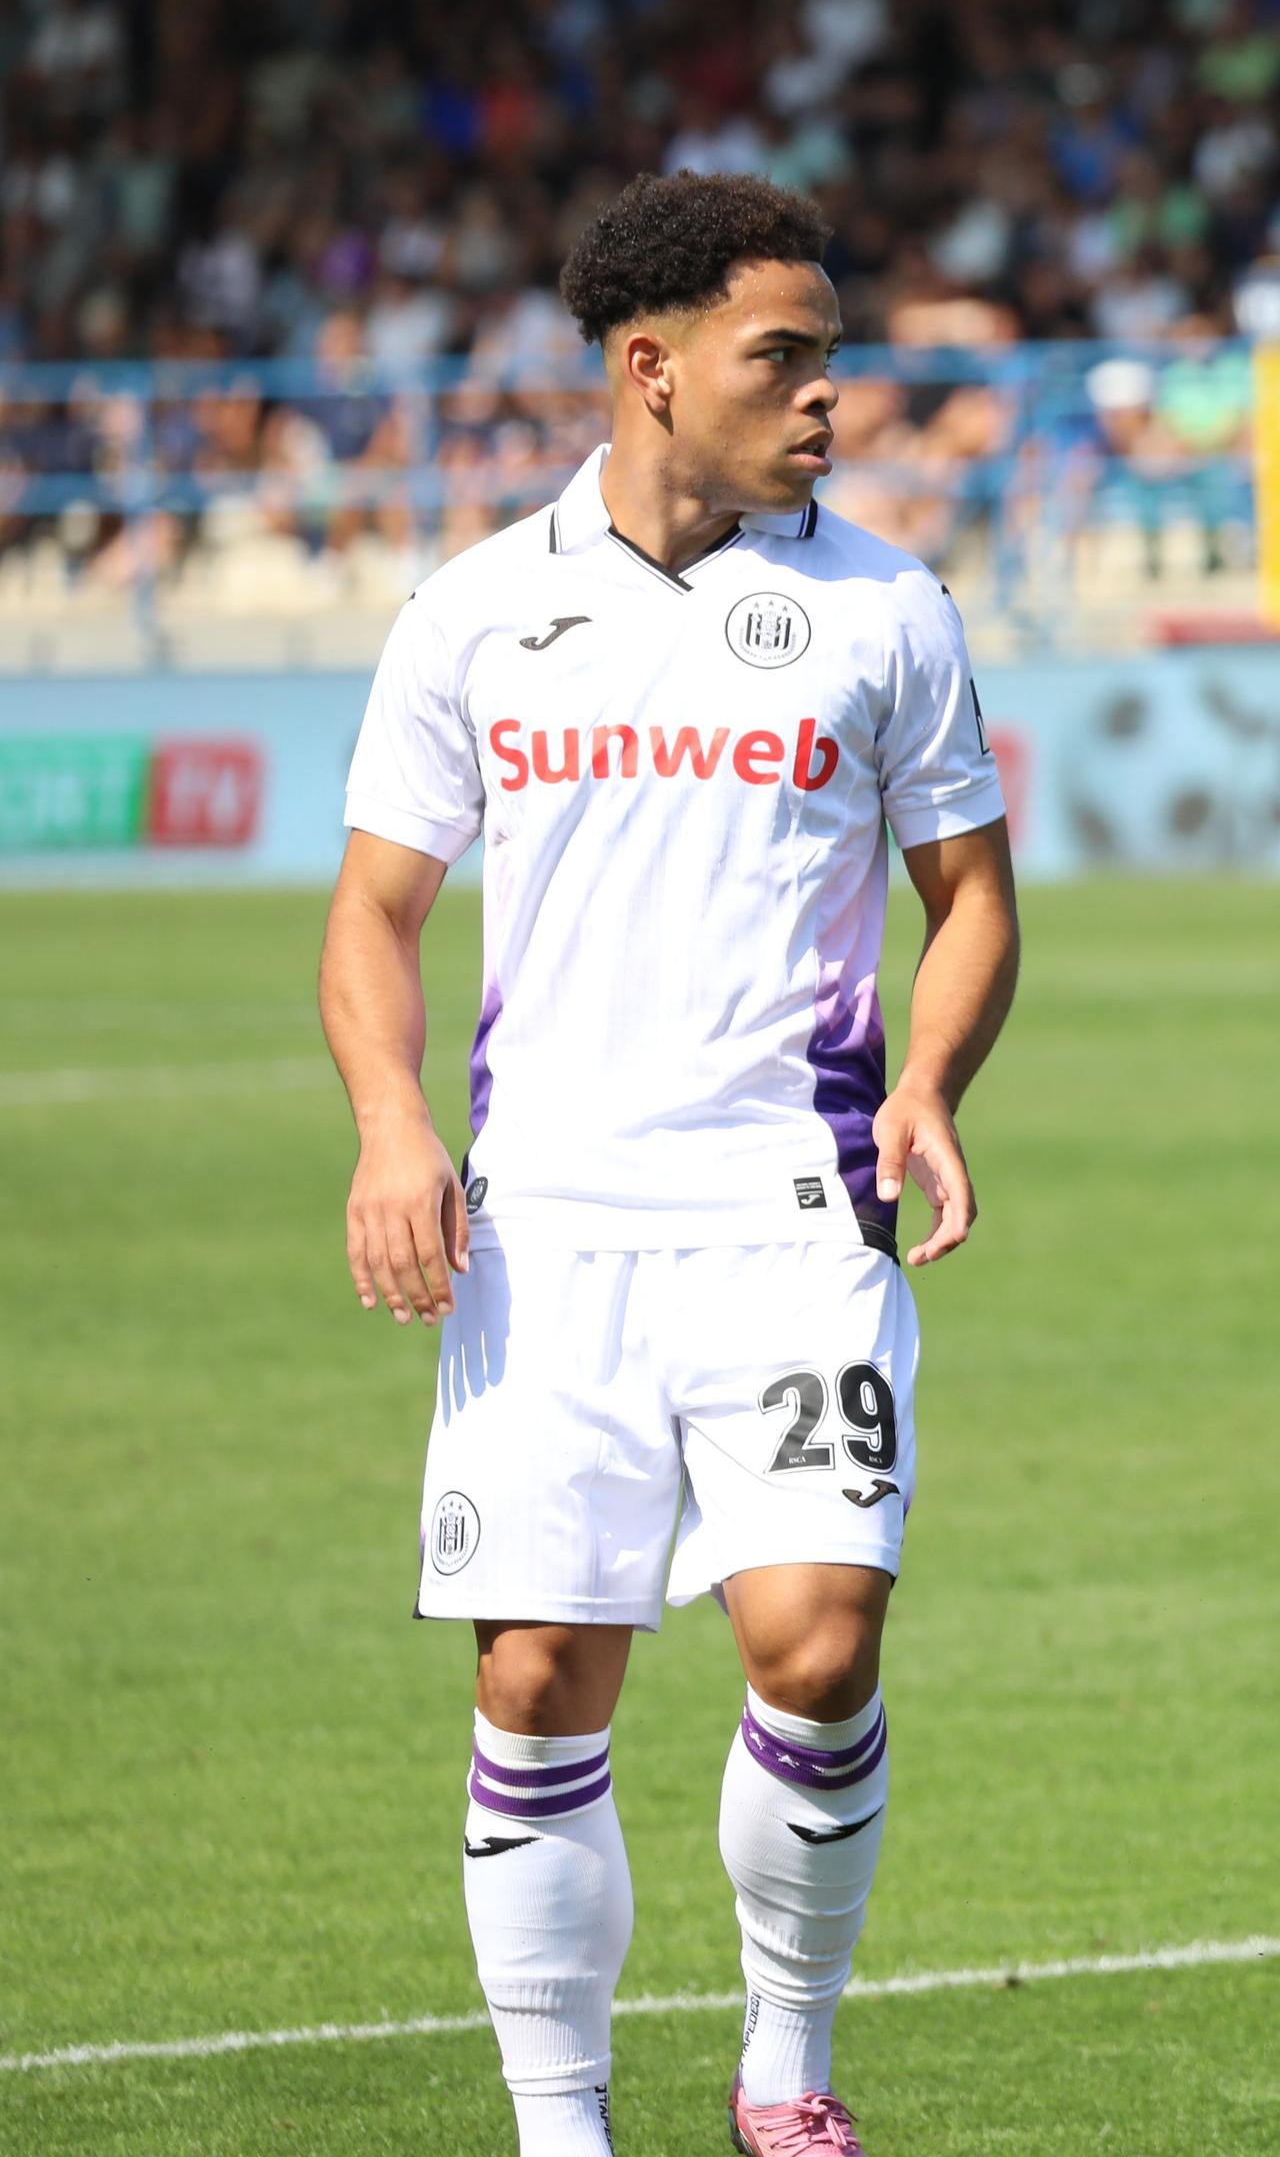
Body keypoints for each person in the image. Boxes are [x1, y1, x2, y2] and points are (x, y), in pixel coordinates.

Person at [318, 173, 1022, 2157]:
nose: (827, 395)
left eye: (830, 355)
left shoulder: (888, 605)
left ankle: (786, 2064)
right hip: (546, 1230)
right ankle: (564, 2126)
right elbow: (373, 915)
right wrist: (392, 1126)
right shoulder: (474, 608)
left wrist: (933, 1082)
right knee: (541, 1674)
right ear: (649, 367)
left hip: (798, 1213)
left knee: (818, 1639)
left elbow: (970, 896)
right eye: (782, 356)